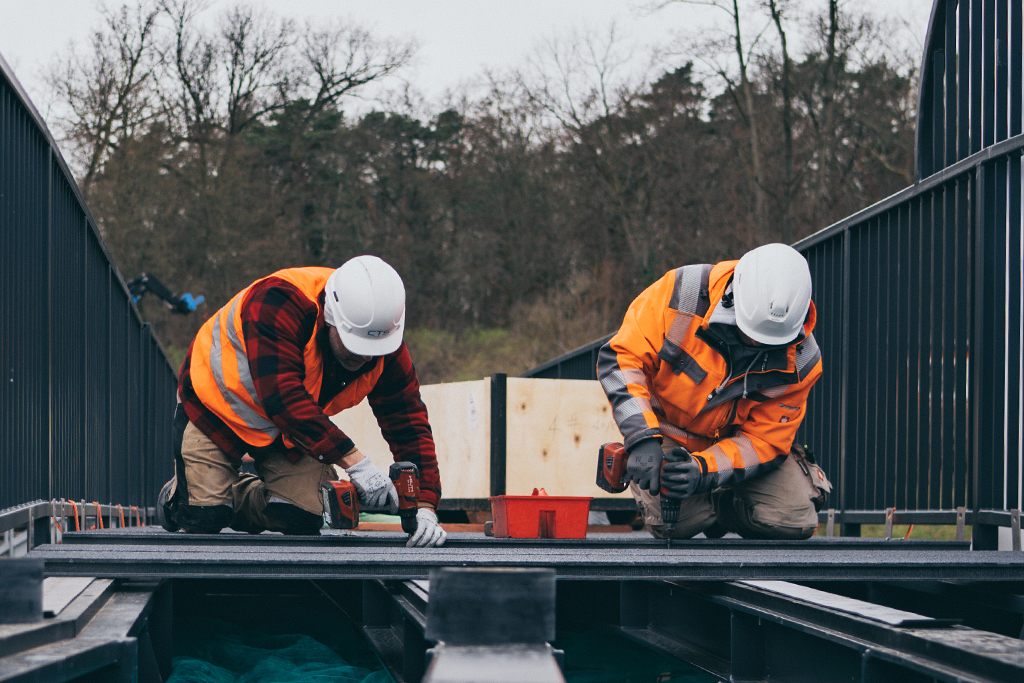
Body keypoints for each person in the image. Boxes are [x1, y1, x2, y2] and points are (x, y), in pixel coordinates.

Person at [158, 255, 446, 547]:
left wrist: (425, 506)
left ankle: (230, 495)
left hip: (287, 429)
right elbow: (282, 398)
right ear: (330, 316)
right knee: (204, 518)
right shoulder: (278, 301)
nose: (366, 357)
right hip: (217, 406)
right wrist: (358, 464)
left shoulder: (385, 338)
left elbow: (408, 423)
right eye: (355, 345)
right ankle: (183, 495)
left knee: (305, 513)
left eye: (374, 348)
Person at [597, 243, 831, 540]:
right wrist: (642, 438)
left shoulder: (803, 361)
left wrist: (703, 470)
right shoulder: (682, 293)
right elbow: (621, 359)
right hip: (666, 434)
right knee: (678, 527)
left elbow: (764, 442)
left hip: (733, 446)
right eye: (749, 335)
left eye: (768, 343)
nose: (757, 346)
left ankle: (721, 506)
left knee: (793, 519)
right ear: (734, 297)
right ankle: (700, 511)